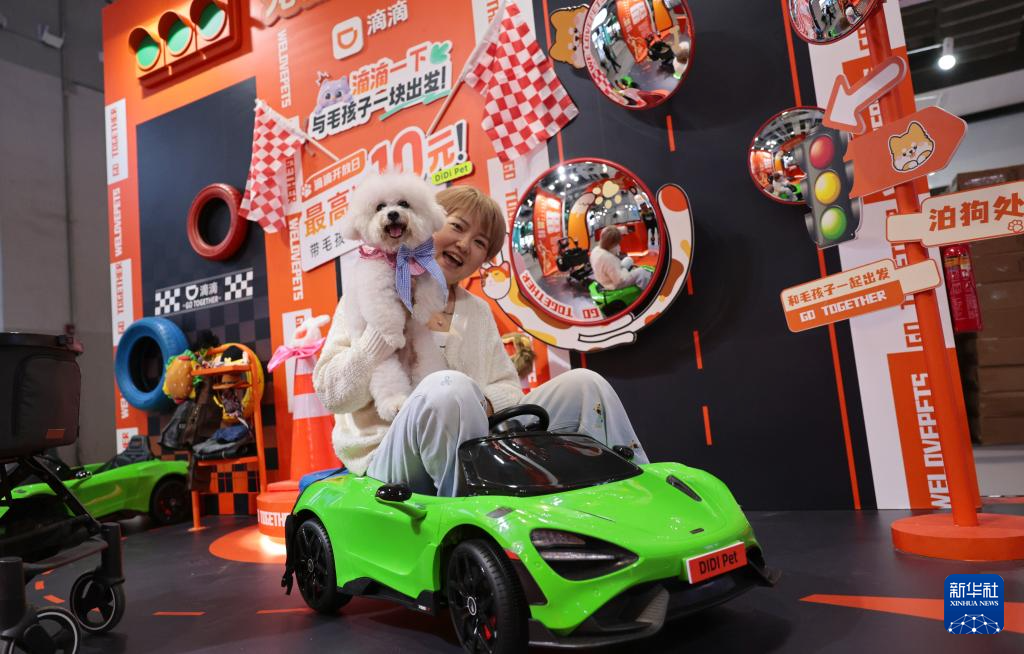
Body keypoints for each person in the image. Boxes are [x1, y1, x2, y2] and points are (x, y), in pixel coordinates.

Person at [314, 186, 649, 497]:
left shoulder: (477, 311)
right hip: (389, 455)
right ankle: (472, 516)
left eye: (479, 243)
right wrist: (382, 331)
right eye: (457, 227)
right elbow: (332, 394)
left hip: (485, 448)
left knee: (585, 384)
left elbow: (508, 388)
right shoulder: (369, 291)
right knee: (447, 388)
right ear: (426, 221)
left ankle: (639, 494)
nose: (464, 244)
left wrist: (480, 403)